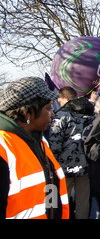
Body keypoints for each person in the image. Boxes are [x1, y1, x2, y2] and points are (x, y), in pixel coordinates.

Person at [0, 77, 69, 219]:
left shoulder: (40, 141)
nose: (53, 113)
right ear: (28, 114)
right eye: (48, 108)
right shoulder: (3, 147)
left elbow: (50, 186)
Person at [48, 87, 95, 219]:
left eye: (60, 98)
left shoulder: (62, 115)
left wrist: (53, 163)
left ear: (66, 98)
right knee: (83, 201)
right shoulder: (91, 114)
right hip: (86, 166)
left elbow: (55, 142)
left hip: (63, 167)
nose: (58, 101)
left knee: (62, 200)